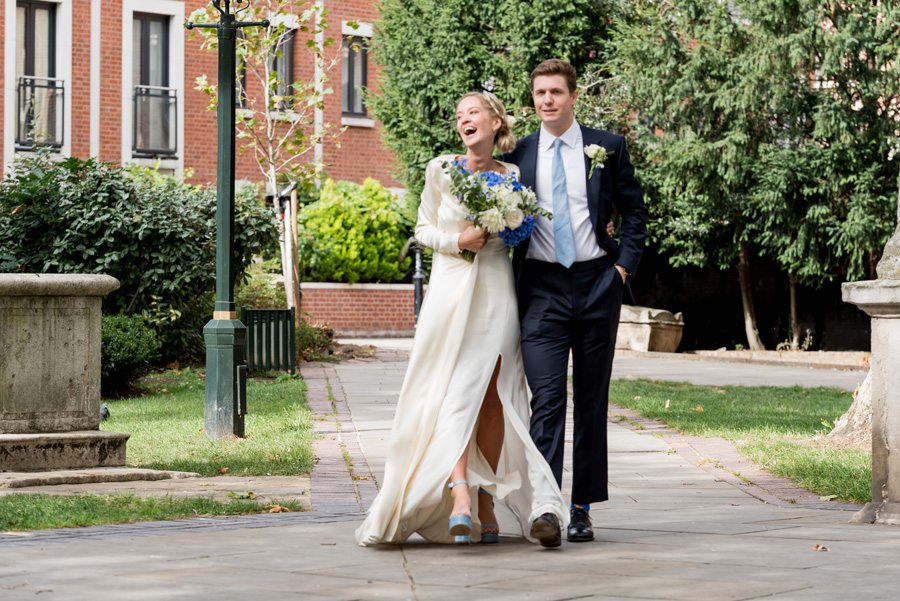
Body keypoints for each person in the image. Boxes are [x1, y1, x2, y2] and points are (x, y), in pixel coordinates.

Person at [355, 91, 568, 548]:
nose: (463, 121)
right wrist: (458, 241)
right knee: (454, 390)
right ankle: (458, 497)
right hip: (451, 290)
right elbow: (422, 228)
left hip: (495, 290)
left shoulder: (512, 176)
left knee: (492, 395)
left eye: (472, 113)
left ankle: (487, 497)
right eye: (459, 116)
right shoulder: (441, 169)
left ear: (494, 122)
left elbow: (522, 231)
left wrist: (508, 228)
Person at [504, 59, 648, 543]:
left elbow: (635, 211)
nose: (547, 100)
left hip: (596, 285)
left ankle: (582, 507)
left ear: (573, 96)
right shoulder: (518, 155)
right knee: (546, 399)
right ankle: (546, 508)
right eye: (539, 93)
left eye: (556, 92)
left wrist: (622, 268)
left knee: (590, 400)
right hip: (541, 288)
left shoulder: (607, 147)